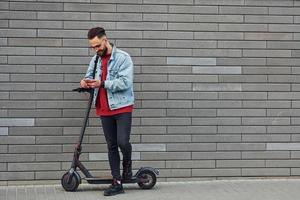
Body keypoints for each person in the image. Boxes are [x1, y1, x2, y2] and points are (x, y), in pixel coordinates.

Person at [80, 27, 134, 196]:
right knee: (111, 146)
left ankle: (127, 162)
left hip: (122, 107)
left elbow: (125, 82)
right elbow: (89, 75)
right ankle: (117, 182)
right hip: (103, 108)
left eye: (97, 46)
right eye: (93, 47)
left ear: (105, 40)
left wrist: (102, 83)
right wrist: (84, 82)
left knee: (122, 142)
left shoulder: (123, 58)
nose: (96, 50)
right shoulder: (95, 59)